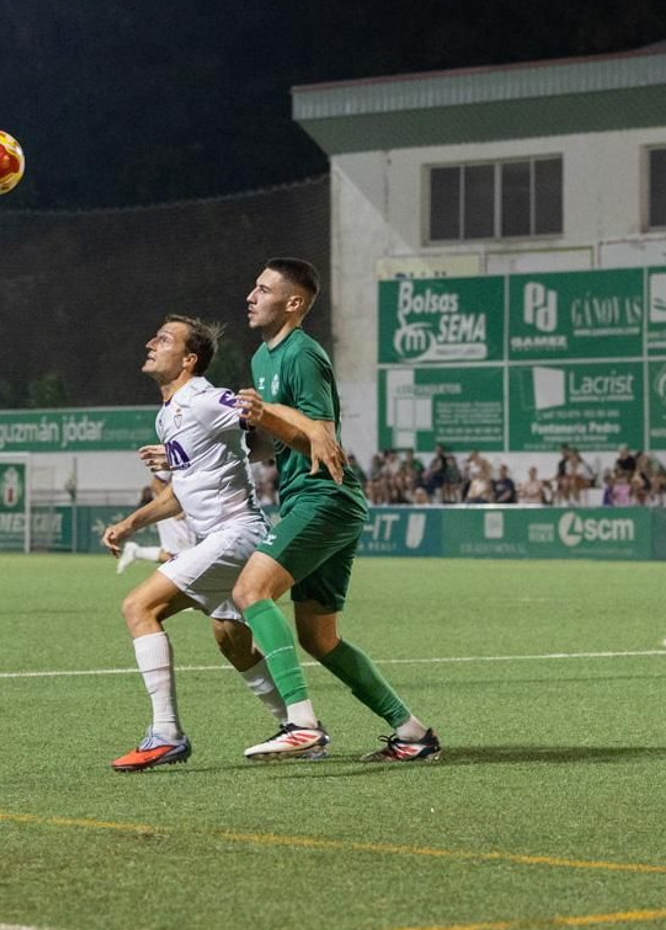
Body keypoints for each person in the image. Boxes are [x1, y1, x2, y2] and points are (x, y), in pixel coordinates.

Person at [233, 257, 439, 762]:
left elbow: (319, 438)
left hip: (326, 497)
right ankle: (412, 733)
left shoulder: (303, 355)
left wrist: (272, 413)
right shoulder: (263, 358)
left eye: (263, 289)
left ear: (294, 303)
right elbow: (282, 442)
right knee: (320, 638)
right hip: (316, 500)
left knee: (250, 590)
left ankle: (301, 723)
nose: (250, 296)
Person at [100, 315, 290, 770]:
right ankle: (297, 726)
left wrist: (309, 431)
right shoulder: (170, 414)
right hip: (218, 537)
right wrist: (131, 523)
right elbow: (181, 494)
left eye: (162, 339)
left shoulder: (202, 398)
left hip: (237, 532)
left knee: (139, 607)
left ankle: (166, 734)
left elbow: (260, 425)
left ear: (189, 359)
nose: (150, 342)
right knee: (232, 642)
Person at [115, 475, 196, 574]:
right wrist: (170, 506)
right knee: (182, 555)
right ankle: (136, 552)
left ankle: (136, 551)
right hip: (172, 510)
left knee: (179, 556)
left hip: (180, 507)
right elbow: (156, 483)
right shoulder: (164, 461)